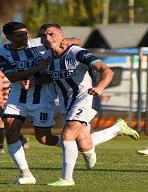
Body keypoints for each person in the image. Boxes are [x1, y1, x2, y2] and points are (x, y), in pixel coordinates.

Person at [39, 23, 139, 187]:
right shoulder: (47, 58)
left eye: (51, 34)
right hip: (66, 102)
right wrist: (32, 81)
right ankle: (118, 128)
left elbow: (107, 71)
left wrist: (99, 87)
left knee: (67, 134)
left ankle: (67, 179)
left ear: (61, 35)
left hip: (86, 98)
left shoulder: (77, 53)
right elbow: (49, 77)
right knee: (84, 144)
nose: (48, 38)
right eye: (44, 35)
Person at [0, 21, 77, 185]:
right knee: (10, 130)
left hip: (43, 96)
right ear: (9, 37)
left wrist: (64, 42)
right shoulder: (1, 53)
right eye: (20, 35)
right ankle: (26, 175)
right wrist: (39, 66)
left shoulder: (40, 42)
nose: (25, 37)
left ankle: (74, 145)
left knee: (44, 139)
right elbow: (13, 77)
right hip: (18, 96)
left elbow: (77, 41)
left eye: (26, 33)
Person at [0, 58, 29, 154]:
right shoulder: (6, 73)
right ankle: (23, 139)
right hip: (7, 102)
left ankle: (0, 148)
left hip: (0, 102)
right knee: (7, 124)